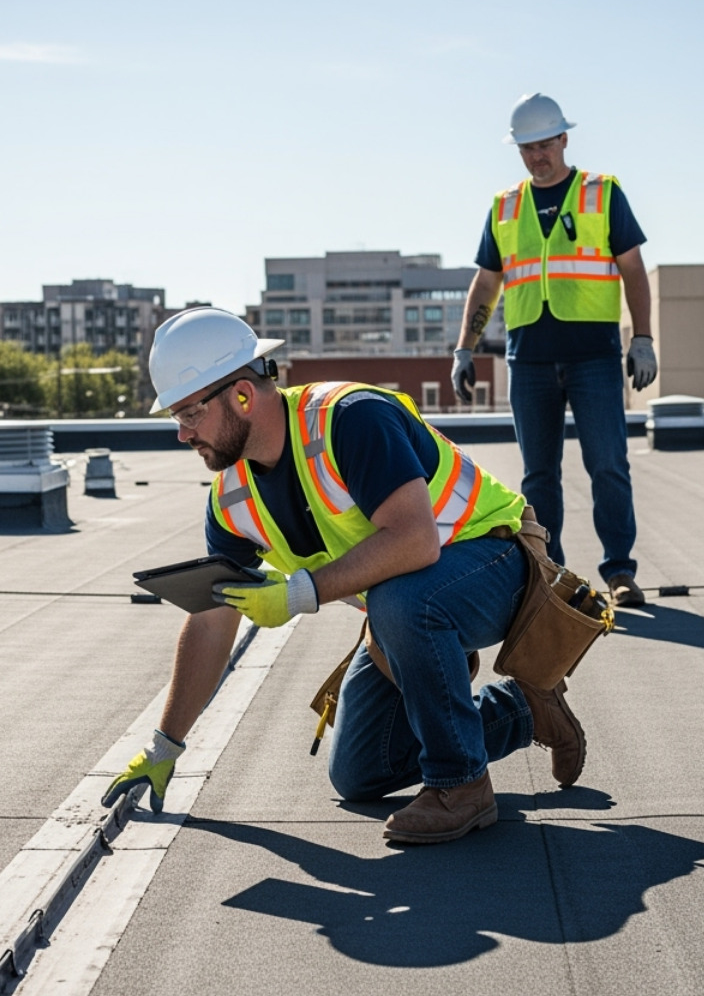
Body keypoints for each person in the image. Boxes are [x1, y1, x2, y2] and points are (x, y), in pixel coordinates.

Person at [101, 308, 586, 845]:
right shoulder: (231, 498)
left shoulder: (349, 418)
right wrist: (164, 746)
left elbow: (415, 540)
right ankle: (522, 710)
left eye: (190, 413)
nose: (182, 433)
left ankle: (461, 786)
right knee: (361, 770)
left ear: (241, 396)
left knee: (401, 601)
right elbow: (213, 618)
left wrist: (298, 594)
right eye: (176, 416)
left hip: (499, 561)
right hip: (408, 600)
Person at [451, 93, 655, 608]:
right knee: (539, 476)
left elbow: (633, 269)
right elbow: (487, 282)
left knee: (607, 464)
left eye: (544, 144)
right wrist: (464, 349)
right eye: (527, 147)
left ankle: (620, 570)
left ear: (564, 139)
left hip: (594, 357)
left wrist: (643, 338)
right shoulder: (505, 206)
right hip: (530, 360)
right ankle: (553, 576)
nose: (537, 155)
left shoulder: (602, 193)